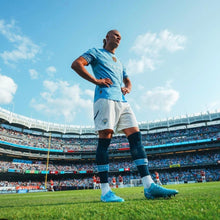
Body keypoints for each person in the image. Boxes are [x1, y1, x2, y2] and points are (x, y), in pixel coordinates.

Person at [71, 29, 178, 202]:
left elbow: (127, 79)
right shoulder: (96, 52)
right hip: (104, 99)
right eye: (115, 35)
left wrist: (128, 87)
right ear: (106, 38)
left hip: (122, 102)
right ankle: (105, 191)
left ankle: (149, 186)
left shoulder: (120, 62)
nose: (119, 37)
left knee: (136, 137)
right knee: (105, 140)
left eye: (120, 36)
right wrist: (96, 81)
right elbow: (77, 64)